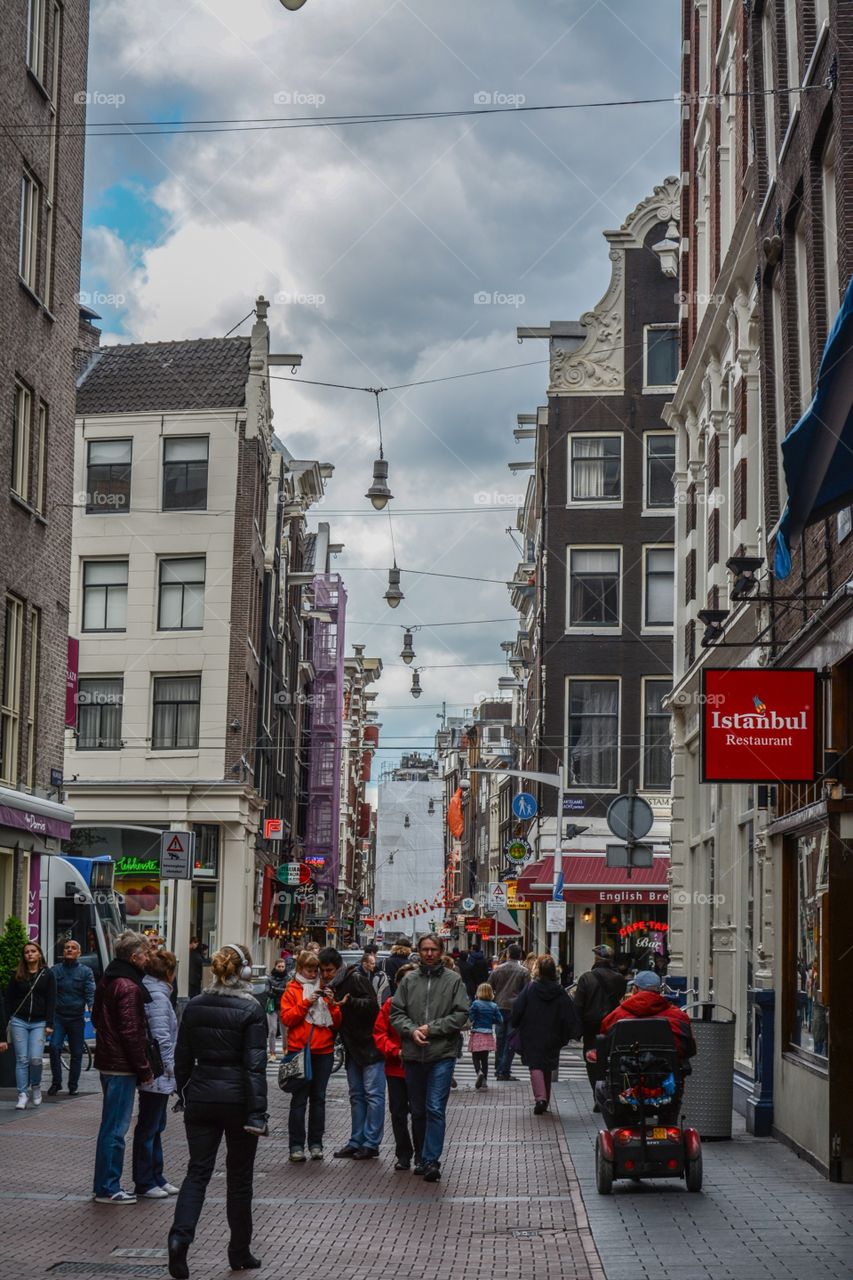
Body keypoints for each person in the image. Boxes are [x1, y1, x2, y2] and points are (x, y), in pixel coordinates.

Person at [168, 943, 267, 1280]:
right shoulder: (251, 1009)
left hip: (202, 1094)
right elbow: (254, 1067)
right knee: (239, 1180)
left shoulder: (194, 1006)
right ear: (245, 972)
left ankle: (180, 1238)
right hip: (238, 1099)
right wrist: (258, 1113)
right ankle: (239, 1251)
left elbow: (182, 1057)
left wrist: (184, 1093)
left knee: (197, 1172)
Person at [390, 933, 469, 1182]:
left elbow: (461, 1014)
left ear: (441, 951)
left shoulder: (453, 981)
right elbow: (396, 1012)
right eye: (425, 949)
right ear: (419, 951)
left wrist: (431, 1029)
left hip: (442, 1052)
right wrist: (412, 1030)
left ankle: (432, 1159)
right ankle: (422, 1157)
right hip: (413, 1054)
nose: (429, 954)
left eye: (433, 949)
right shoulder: (409, 980)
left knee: (435, 1106)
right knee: (419, 1109)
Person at [91, 931, 153, 1203]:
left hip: (109, 1061)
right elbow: (132, 1032)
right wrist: (144, 1067)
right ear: (134, 956)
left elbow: (96, 1017)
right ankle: (108, 1186)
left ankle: (105, 1183)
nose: (148, 958)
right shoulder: (128, 986)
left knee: (110, 1126)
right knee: (116, 1128)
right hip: (121, 1065)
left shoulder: (108, 979)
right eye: (146, 954)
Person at [594, 970, 696, 1124]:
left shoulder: (616, 1017)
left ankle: (618, 1129)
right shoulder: (678, 1017)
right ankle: (668, 1125)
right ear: (659, 991)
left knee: (600, 1087)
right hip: (665, 1088)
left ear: (634, 990)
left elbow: (605, 1045)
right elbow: (689, 1049)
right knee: (674, 1093)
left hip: (627, 1087)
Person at [317, 946, 384, 1160]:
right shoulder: (331, 986)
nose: (326, 975)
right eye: (323, 971)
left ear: (338, 968)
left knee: (373, 1095)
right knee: (356, 1095)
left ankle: (370, 1142)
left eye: (329, 970)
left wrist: (349, 1002)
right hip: (353, 1046)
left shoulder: (354, 979)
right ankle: (357, 1140)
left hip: (368, 1044)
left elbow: (373, 1006)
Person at [279, 949, 342, 1161]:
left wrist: (333, 1005)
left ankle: (316, 1143)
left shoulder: (325, 988)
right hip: (300, 1050)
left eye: (316, 971)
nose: (313, 974)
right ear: (300, 969)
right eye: (309, 970)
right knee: (299, 1100)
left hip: (323, 1051)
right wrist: (306, 1002)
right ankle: (296, 1145)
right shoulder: (292, 990)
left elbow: (337, 1022)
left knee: (319, 1099)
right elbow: (287, 1019)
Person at [133, 951, 179, 1199]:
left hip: (157, 1070)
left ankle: (155, 1175)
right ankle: (145, 1179)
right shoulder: (158, 997)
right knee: (150, 1125)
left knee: (155, 1124)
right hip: (157, 1071)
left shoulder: (155, 992)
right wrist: (171, 1067)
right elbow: (161, 1037)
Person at [511, 955, 580, 1115]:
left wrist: (515, 1023)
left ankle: (540, 1098)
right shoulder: (560, 991)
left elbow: (518, 1008)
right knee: (548, 1066)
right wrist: (572, 1032)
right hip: (553, 1033)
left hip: (532, 1031)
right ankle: (545, 1099)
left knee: (535, 1065)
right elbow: (568, 1013)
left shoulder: (530, 988)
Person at [373, 962, 418, 1170]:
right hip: (396, 1067)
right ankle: (403, 1154)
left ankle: (421, 1154)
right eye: (404, 981)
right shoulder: (390, 1004)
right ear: (398, 983)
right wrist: (394, 1050)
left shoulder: (423, 1005)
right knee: (398, 1112)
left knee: (420, 1113)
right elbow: (379, 1033)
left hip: (419, 1066)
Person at [573, 944, 627, 1108]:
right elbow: (620, 997)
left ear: (597, 959)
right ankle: (608, 1093)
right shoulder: (619, 979)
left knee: (592, 1060)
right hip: (612, 1024)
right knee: (611, 1059)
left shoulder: (586, 978)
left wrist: (577, 1029)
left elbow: (578, 1006)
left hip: (591, 1026)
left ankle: (597, 1095)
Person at [4, 940, 56, 1110]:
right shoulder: (17, 974)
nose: (30, 954)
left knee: (35, 1059)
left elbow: (51, 1000)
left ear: (39, 954)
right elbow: (8, 999)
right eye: (27, 952)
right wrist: (8, 1019)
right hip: (19, 1020)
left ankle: (35, 1086)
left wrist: (49, 1023)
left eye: (33, 951)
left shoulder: (47, 975)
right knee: (22, 1059)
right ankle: (22, 1094)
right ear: (23, 956)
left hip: (39, 1022)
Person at [48, 938, 95, 1097]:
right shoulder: (55, 970)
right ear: (63, 952)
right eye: (66, 947)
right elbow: (48, 993)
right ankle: (56, 1083)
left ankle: (73, 1085)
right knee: (54, 1047)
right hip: (58, 1017)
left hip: (76, 1018)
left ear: (79, 953)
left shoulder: (85, 972)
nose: (69, 950)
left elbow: (90, 992)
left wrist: (92, 1007)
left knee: (76, 1053)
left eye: (73, 948)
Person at [490, 943, 530, 1081]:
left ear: (507, 954)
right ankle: (504, 1070)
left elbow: (489, 988)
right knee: (511, 1040)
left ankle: (498, 1068)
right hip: (515, 1008)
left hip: (499, 1006)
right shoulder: (524, 972)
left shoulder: (497, 970)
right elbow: (527, 992)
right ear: (519, 955)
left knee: (500, 1039)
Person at [468, 982, 503, 1089]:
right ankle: (485, 1081)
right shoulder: (494, 1006)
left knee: (475, 1057)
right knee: (485, 1059)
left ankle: (479, 1072)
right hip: (487, 1034)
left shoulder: (475, 1004)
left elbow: (471, 1017)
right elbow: (500, 1020)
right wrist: (490, 1020)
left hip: (477, 1033)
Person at [265, 958, 289, 1061]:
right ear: (275, 966)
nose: (280, 968)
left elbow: (288, 992)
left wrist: (275, 989)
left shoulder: (288, 978)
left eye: (282, 966)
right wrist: (280, 991)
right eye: (279, 966)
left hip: (284, 1006)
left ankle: (286, 1050)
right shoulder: (269, 978)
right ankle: (272, 1053)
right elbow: (267, 992)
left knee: (285, 1031)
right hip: (272, 1006)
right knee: (272, 1031)